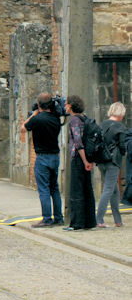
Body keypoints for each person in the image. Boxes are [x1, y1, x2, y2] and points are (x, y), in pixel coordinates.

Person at [20, 93, 64, 228]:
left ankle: (46, 218)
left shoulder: (37, 119)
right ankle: (58, 217)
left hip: (42, 157)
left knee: (44, 189)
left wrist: (33, 114)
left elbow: (23, 128)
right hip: (55, 156)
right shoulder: (56, 119)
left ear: (39, 105)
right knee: (54, 188)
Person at [64, 95, 97, 231]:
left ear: (71, 106)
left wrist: (84, 161)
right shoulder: (85, 118)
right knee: (87, 190)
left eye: (66, 104)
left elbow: (78, 142)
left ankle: (77, 223)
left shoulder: (74, 121)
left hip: (79, 158)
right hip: (88, 157)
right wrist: (90, 160)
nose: (65, 106)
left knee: (76, 190)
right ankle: (90, 221)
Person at [96, 102, 126, 228]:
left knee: (114, 191)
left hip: (101, 161)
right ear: (121, 113)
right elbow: (122, 146)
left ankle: (118, 220)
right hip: (113, 162)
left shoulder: (101, 125)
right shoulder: (120, 127)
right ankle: (98, 219)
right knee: (108, 190)